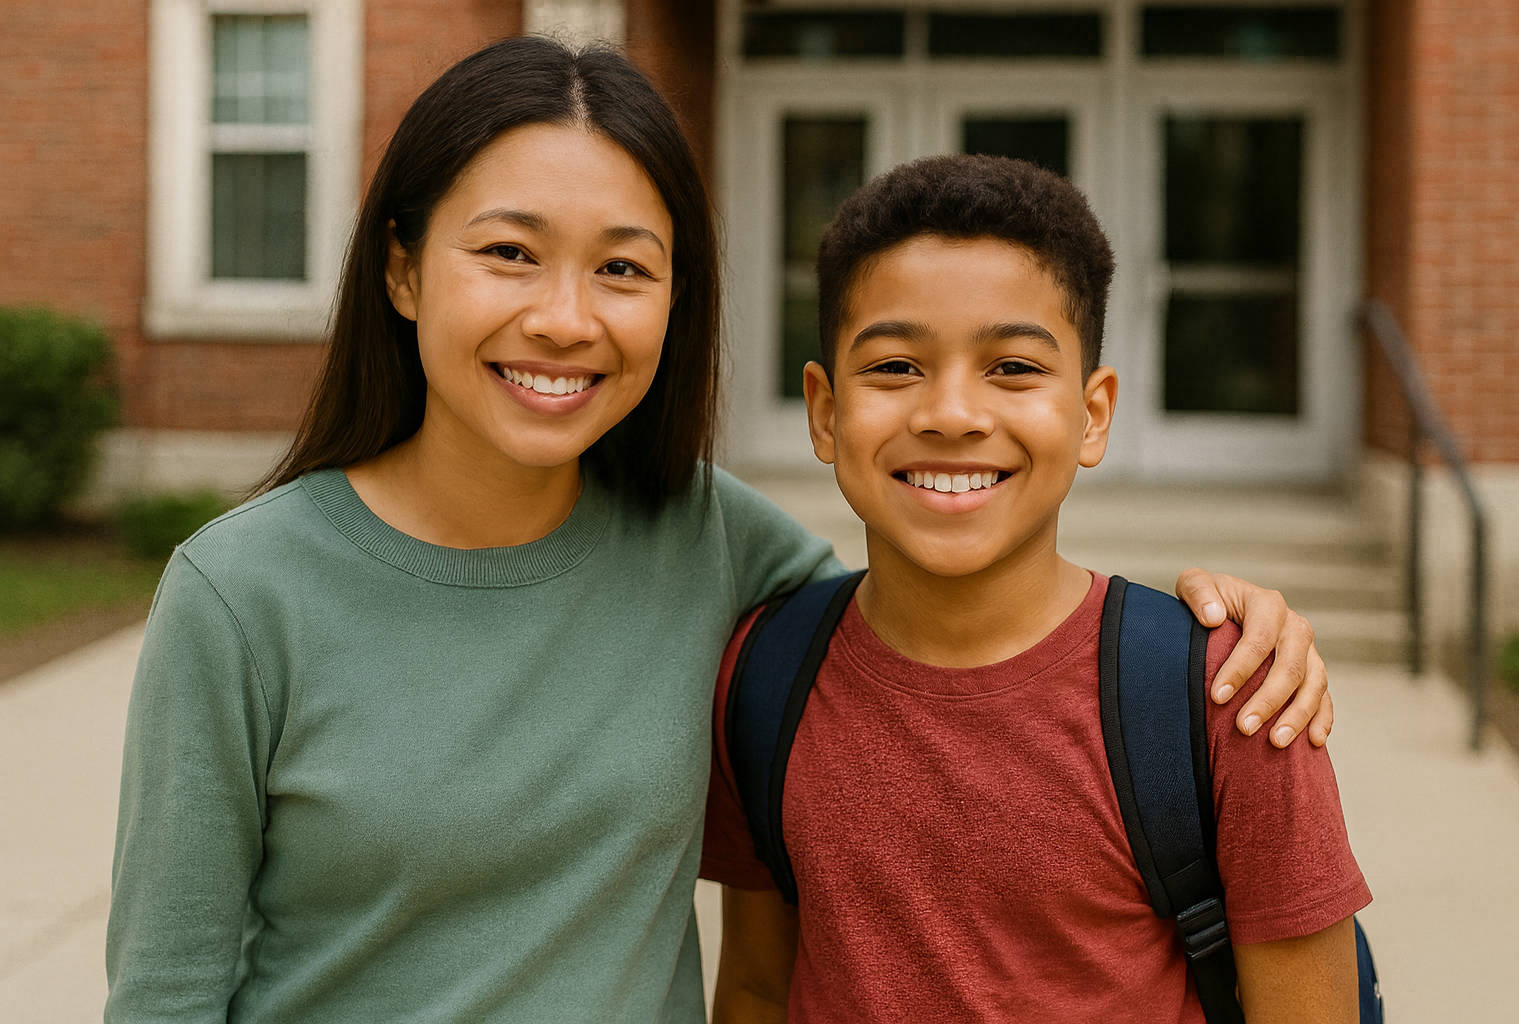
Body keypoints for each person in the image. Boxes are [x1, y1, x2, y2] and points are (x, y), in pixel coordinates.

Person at [106, 38, 1333, 1024]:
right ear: (406, 271)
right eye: (509, 254)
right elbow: (166, 993)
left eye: (625, 270)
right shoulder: (241, 591)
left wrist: (1220, 621)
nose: (565, 318)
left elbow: (943, 600)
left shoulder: (717, 550)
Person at [704, 155, 1371, 1023]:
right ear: (825, 413)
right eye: (896, 367)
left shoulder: (1230, 698)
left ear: (1092, 415)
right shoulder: (765, 674)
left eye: (1013, 368)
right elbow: (757, 985)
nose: (951, 413)